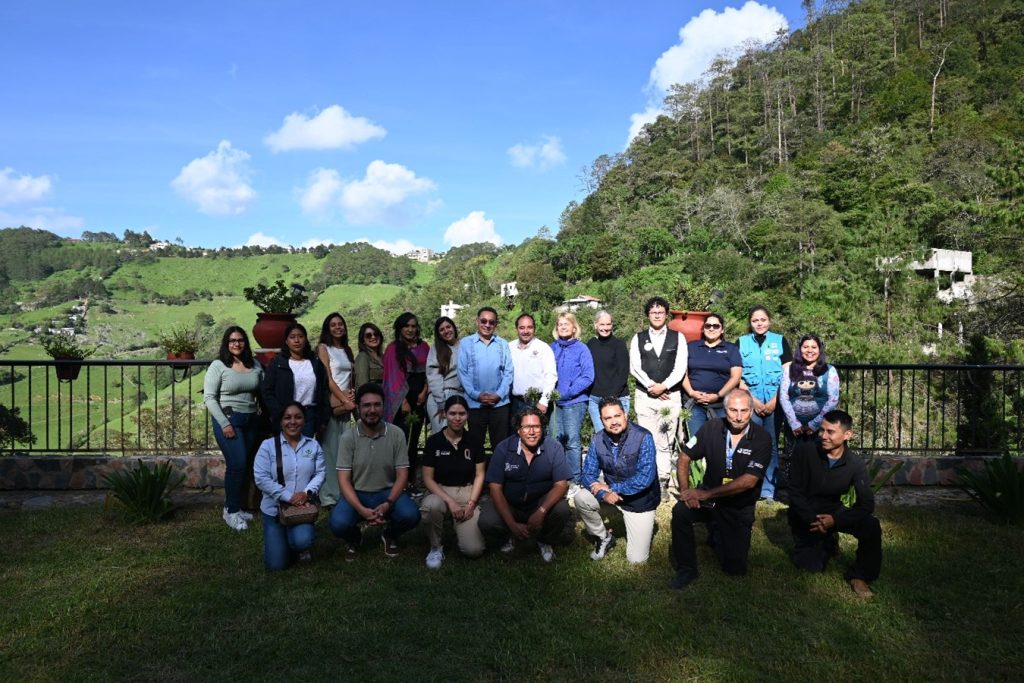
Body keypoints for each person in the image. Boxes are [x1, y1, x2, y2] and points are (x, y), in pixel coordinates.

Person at [669, 390, 772, 589]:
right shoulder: (711, 427)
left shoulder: (762, 438)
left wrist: (705, 493)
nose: (739, 416)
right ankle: (686, 569)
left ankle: (717, 532)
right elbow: (684, 458)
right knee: (680, 512)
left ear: (751, 411)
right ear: (725, 410)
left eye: (744, 410)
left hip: (738, 505)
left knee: (735, 569)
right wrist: (686, 492)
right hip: (708, 501)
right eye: (733, 410)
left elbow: (749, 481)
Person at [787, 410, 881, 598]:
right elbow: (794, 491)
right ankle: (828, 542)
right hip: (807, 514)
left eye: (830, 432)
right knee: (810, 567)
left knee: (871, 525)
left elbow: (866, 504)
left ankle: (860, 576)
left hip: (834, 512)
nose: (823, 436)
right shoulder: (804, 451)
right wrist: (813, 520)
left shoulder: (855, 463)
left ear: (847, 435)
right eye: (822, 430)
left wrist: (835, 521)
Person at [329, 383, 421, 559]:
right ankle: (355, 538)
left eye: (377, 405)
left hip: (387, 492)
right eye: (366, 405)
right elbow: (343, 480)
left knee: (411, 515)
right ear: (358, 408)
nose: (372, 410)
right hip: (358, 493)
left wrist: (388, 503)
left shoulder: (396, 433)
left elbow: (403, 475)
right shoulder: (348, 438)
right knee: (338, 524)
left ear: (383, 406)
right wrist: (360, 509)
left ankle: (390, 534)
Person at [478, 409, 573, 562]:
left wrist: (541, 511)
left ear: (542, 429)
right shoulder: (503, 448)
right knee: (486, 520)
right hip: (511, 503)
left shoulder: (553, 447)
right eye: (526, 427)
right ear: (518, 430)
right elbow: (495, 487)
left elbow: (562, 484)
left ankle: (545, 540)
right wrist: (511, 523)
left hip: (539, 503)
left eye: (536, 427)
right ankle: (509, 535)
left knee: (562, 509)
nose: (532, 432)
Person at [574, 397, 658, 564]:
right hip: (611, 498)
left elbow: (645, 478)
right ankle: (604, 537)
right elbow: (587, 475)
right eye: (607, 418)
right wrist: (604, 494)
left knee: (637, 560)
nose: (613, 422)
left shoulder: (643, 437)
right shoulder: (597, 440)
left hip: (639, 501)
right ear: (601, 420)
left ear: (625, 415)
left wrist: (613, 488)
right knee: (581, 498)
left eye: (617, 416)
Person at [253, 401, 325, 571]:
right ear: (280, 421)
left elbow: (320, 472)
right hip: (274, 511)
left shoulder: (313, 445)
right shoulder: (267, 446)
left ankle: (299, 545)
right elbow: (261, 478)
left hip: (302, 510)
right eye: (288, 418)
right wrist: (289, 497)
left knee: (303, 540)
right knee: (276, 565)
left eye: (298, 417)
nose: (293, 422)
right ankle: (283, 540)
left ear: (304, 421)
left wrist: (307, 493)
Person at [204, 326, 264, 531]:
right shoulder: (218, 365)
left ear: (245, 342)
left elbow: (262, 391)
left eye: (240, 340)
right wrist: (225, 424)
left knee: (243, 464)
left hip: (250, 420)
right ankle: (230, 511)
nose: (236, 344)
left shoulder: (254, 364)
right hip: (229, 420)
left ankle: (236, 507)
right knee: (237, 463)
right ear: (226, 344)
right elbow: (210, 398)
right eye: (232, 340)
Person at [629, 296, 688, 501]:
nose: (657, 315)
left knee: (665, 441)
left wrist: (664, 386)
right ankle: (648, 480)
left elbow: (680, 367)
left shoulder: (678, 338)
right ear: (647, 315)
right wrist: (651, 387)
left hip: (670, 397)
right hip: (645, 397)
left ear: (666, 314)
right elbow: (635, 367)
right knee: (647, 440)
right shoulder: (638, 338)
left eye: (660, 312)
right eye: (653, 312)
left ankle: (662, 481)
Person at [419, 395, 486, 569]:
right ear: (444, 414)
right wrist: (450, 502)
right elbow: (427, 478)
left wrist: (471, 503)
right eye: (452, 413)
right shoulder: (434, 442)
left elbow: (480, 475)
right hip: (440, 492)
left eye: (462, 414)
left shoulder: (475, 441)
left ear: (467, 415)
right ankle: (435, 546)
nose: (457, 418)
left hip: (466, 492)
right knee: (431, 506)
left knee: (474, 550)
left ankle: (462, 529)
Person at [737, 306, 791, 501]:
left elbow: (787, 374)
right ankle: (751, 486)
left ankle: (769, 490)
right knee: (750, 443)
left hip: (776, 402)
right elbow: (738, 376)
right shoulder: (741, 343)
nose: (759, 323)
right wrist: (754, 401)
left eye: (763, 319)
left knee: (772, 445)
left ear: (769, 321)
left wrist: (775, 401)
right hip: (751, 402)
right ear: (750, 323)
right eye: (755, 320)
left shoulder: (780, 341)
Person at [382, 312, 430, 481]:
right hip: (400, 404)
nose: (410, 329)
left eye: (413, 326)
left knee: (414, 441)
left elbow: (430, 373)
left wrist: (424, 392)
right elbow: (391, 377)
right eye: (407, 326)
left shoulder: (424, 347)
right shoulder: (393, 349)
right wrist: (402, 401)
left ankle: (409, 481)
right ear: (400, 328)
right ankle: (395, 480)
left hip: (419, 400)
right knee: (401, 441)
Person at [550, 311, 594, 489]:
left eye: (566, 324)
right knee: (555, 440)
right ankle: (558, 477)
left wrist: (567, 392)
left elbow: (588, 376)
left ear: (574, 327)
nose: (563, 327)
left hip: (574, 402)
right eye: (560, 324)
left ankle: (574, 480)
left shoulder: (582, 349)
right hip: (554, 403)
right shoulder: (552, 347)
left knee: (573, 442)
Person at [457, 306, 513, 449]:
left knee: (500, 446)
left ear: (496, 324)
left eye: (491, 322)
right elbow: (462, 372)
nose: (487, 325)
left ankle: (498, 472)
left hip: (499, 405)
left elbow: (508, 372)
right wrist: (476, 395)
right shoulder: (466, 343)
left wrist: (499, 395)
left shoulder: (503, 344)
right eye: (483, 321)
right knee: (475, 446)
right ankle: (478, 472)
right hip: (475, 405)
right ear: (477, 321)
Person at [261, 322, 328, 437]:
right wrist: (278, 413)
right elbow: (267, 391)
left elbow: (324, 391)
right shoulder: (278, 363)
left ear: (306, 339)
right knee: (286, 452)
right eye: (292, 337)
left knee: (305, 451)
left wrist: (323, 419)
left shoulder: (315, 363)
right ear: (286, 341)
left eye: (300, 336)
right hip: (286, 417)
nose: (297, 340)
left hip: (309, 416)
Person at [682, 312, 743, 437]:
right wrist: (692, 393)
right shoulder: (691, 347)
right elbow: (682, 373)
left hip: (721, 405)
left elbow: (736, 377)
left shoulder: (731, 349)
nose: (711, 328)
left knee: (719, 441)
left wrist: (718, 395)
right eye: (708, 325)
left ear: (722, 330)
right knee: (695, 441)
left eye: (716, 326)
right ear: (703, 329)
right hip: (694, 403)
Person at [779, 333, 840, 442]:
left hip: (821, 427)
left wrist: (814, 424)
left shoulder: (830, 370)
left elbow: (833, 400)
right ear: (800, 349)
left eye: (813, 347)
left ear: (819, 349)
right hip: (794, 428)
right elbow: (784, 396)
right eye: (805, 347)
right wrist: (794, 424)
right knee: (795, 457)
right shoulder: (789, 369)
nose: (809, 350)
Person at [586, 310, 631, 432]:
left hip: (618, 398)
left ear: (612, 325)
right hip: (595, 400)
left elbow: (623, 375)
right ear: (595, 325)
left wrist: (610, 399)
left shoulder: (619, 345)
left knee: (619, 436)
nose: (605, 328)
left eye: (608, 324)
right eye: (602, 324)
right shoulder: (590, 344)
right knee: (602, 437)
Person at [508, 313, 557, 420]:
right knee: (514, 435)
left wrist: (544, 401)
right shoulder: (509, 347)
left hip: (536, 401)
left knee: (535, 435)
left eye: (529, 327)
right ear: (516, 329)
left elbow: (551, 376)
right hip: (514, 402)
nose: (526, 331)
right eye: (522, 328)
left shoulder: (543, 348)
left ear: (534, 329)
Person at [425, 316, 464, 434]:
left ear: (453, 327)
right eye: (442, 329)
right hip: (441, 396)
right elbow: (433, 376)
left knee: (456, 436)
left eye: (448, 327)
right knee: (441, 436)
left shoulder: (464, 345)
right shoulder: (436, 349)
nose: (446, 331)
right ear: (438, 334)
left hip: (459, 395)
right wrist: (441, 403)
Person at [353, 322, 385, 388]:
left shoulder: (384, 357)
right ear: (363, 340)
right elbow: (362, 386)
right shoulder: (362, 357)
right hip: (373, 397)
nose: (373, 337)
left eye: (376, 334)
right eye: (368, 335)